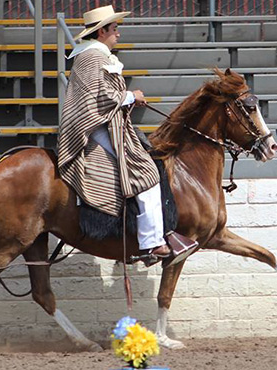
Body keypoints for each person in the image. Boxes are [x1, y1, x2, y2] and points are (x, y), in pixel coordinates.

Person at [58, 6, 195, 263]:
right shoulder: (92, 58)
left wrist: (129, 99)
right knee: (146, 174)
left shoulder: (96, 56)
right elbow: (99, 98)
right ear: (101, 32)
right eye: (114, 29)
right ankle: (151, 243)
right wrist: (132, 96)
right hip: (96, 129)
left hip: (107, 125)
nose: (118, 34)